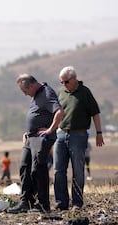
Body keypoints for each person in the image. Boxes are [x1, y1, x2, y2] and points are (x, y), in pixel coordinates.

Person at [8, 74, 64, 214]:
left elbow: (59, 112)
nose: (26, 95)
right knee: (24, 167)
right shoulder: (36, 95)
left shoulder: (46, 93)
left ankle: (43, 204)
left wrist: (51, 129)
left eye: (26, 91)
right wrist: (28, 131)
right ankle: (25, 202)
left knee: (38, 168)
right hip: (30, 137)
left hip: (41, 138)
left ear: (32, 85)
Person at [54, 66, 104, 210]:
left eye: (66, 82)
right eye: (61, 82)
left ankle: (77, 203)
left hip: (79, 135)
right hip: (61, 135)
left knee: (78, 170)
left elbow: (95, 113)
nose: (64, 85)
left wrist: (99, 133)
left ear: (74, 79)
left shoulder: (85, 92)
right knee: (58, 170)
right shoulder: (61, 93)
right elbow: (56, 114)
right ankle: (61, 203)